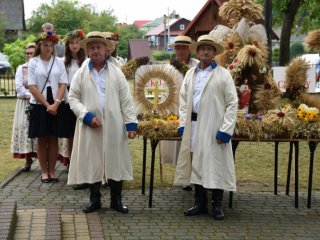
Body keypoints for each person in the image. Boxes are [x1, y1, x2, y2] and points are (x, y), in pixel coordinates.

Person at [67, 31, 138, 214]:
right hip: (90, 125)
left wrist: (131, 123)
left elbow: (126, 99)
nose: (95, 50)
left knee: (116, 160)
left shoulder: (116, 72)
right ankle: (95, 200)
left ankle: (116, 200)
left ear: (106, 50)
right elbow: (73, 98)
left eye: (99, 47)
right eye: (92, 47)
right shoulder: (82, 72)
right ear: (87, 50)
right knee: (92, 160)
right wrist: (86, 116)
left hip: (114, 124)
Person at [174, 35, 238, 220]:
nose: (205, 51)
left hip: (213, 126)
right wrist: (183, 124)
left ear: (215, 52)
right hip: (193, 126)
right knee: (197, 163)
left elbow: (232, 104)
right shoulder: (190, 74)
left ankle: (216, 205)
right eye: (202, 48)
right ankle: (199, 203)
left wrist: (226, 130)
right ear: (197, 51)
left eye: (209, 49)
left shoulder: (223, 75)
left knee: (215, 163)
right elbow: (184, 101)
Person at [28, 31, 69, 183]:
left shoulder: (58, 62)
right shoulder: (33, 62)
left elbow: (63, 83)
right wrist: (47, 105)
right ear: (40, 46)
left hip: (56, 102)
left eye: (50, 45)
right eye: (45, 45)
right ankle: (44, 172)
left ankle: (52, 171)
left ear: (54, 46)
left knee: (54, 139)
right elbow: (32, 86)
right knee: (42, 139)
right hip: (40, 103)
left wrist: (56, 103)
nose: (48, 48)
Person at [161, 35, 199, 191]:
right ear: (175, 49)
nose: (181, 51)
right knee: (180, 144)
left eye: (184, 47)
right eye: (179, 48)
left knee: (193, 143)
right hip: (176, 107)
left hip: (194, 108)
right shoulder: (169, 67)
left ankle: (195, 177)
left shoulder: (196, 65)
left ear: (189, 49)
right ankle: (185, 178)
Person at [58, 29, 86, 171]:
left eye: (77, 42)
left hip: (84, 98)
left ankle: (83, 161)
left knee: (84, 132)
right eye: (72, 43)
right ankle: (71, 161)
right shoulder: (64, 62)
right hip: (69, 99)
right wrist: (68, 99)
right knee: (71, 133)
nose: (75, 45)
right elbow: (62, 82)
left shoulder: (85, 61)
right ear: (67, 45)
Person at [11, 43, 37, 171]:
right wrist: (34, 95)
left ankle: (45, 160)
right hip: (24, 104)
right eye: (27, 53)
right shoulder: (21, 68)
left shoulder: (40, 67)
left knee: (40, 130)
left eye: (31, 53)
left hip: (39, 103)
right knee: (25, 129)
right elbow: (19, 89)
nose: (29, 55)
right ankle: (28, 159)